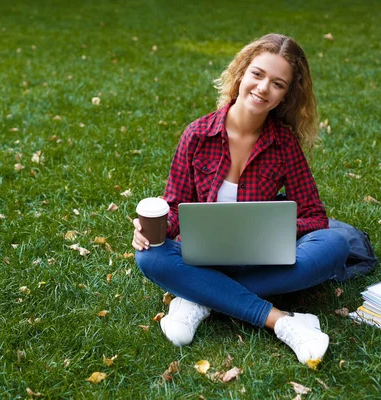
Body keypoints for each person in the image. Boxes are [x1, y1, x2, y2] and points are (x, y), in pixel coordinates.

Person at [132, 33, 350, 369]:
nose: (263, 89)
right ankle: (284, 322)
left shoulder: (284, 145)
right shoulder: (198, 134)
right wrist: (150, 231)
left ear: (284, 97)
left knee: (334, 244)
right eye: (258, 75)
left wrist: (274, 230)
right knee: (150, 257)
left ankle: (198, 298)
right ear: (241, 75)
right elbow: (174, 206)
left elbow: (314, 215)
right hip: (202, 257)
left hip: (257, 257)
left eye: (277, 84)